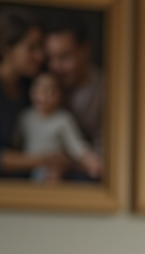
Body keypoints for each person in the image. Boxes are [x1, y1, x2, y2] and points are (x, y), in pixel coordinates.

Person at [0, 7, 65, 178]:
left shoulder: (29, 84)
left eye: (40, 47)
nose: (40, 55)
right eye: (32, 48)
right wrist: (46, 160)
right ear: (6, 49)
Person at [17, 71, 102, 182]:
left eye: (51, 91)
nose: (45, 95)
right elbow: (17, 142)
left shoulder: (63, 119)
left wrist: (91, 161)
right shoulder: (25, 117)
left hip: (53, 170)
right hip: (28, 168)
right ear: (32, 92)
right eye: (40, 90)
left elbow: (76, 146)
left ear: (60, 95)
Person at [44, 10, 105, 154]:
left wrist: (64, 163)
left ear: (85, 50)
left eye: (64, 57)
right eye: (50, 58)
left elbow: (108, 158)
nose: (56, 67)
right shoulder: (43, 85)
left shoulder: (107, 90)